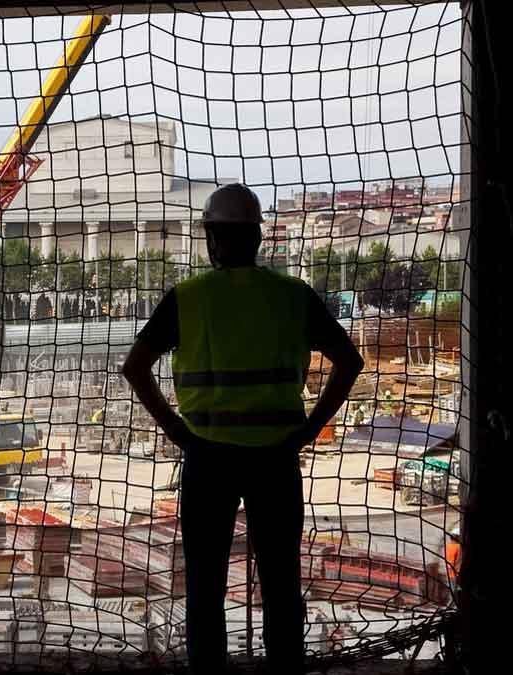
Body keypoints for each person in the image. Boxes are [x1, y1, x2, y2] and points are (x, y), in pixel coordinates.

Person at [121, 183, 363, 674]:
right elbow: (349, 362)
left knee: (205, 588)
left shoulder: (187, 298)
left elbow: (135, 367)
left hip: (208, 457)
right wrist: (312, 426)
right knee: (281, 584)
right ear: (257, 237)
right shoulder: (292, 296)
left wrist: (175, 429)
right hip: (275, 457)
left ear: (211, 237)